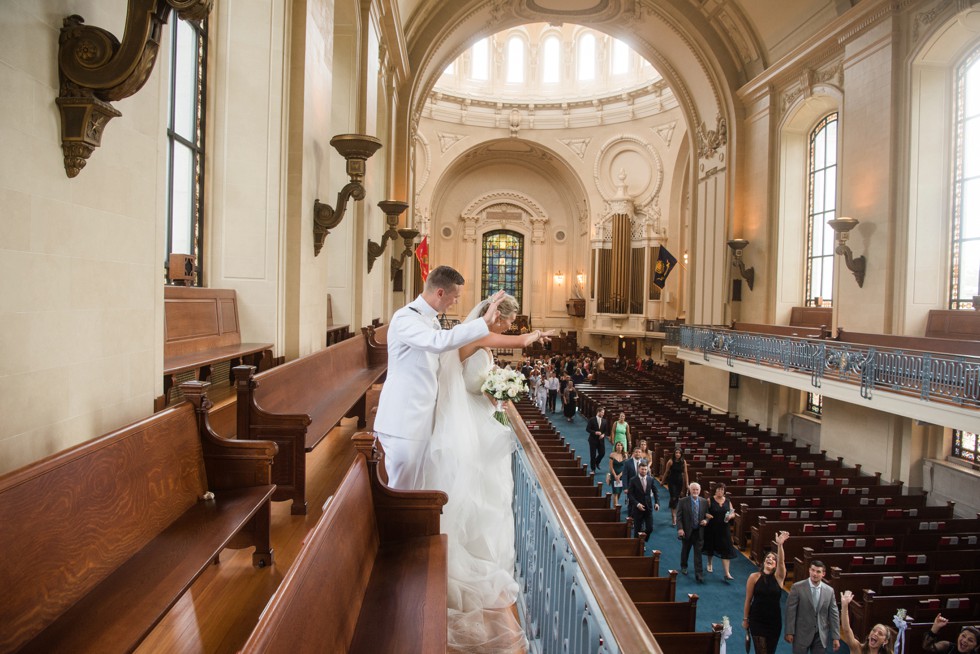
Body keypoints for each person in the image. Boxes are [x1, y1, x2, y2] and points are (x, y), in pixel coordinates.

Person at [421, 294, 549, 652]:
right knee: (478, 486)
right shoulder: (476, 336)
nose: (510, 327)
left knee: (489, 487)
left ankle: (482, 547)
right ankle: (474, 551)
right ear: (495, 317)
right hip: (470, 422)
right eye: (508, 320)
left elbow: (476, 377)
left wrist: (496, 388)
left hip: (477, 415)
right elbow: (506, 352)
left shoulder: (473, 336)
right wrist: (530, 340)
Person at [374, 266, 505, 489]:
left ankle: (411, 525)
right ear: (441, 293)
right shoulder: (405, 318)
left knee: (416, 487)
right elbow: (438, 342)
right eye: (455, 297)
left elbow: (446, 353)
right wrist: (482, 323)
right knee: (401, 490)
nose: (455, 303)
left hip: (421, 418)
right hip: (404, 420)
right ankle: (398, 525)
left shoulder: (430, 320)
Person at [743, 530, 790, 654]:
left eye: (773, 559)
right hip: (757, 619)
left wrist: (780, 545)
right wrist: (745, 619)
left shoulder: (779, 577)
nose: (770, 559)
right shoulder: (754, 577)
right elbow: (748, 599)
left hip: (774, 621)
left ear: (775, 565)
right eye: (768, 557)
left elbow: (781, 562)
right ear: (764, 561)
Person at [784, 560, 840, 654]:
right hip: (801, 634)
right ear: (809, 570)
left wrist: (836, 637)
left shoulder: (829, 591)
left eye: (818, 571)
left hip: (820, 635)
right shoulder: (797, 587)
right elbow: (790, 611)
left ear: (823, 574)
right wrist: (789, 631)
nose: (815, 574)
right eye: (813, 570)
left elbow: (834, 615)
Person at [703, 482, 738, 581]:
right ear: (715, 490)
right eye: (718, 489)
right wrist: (706, 517)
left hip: (724, 528)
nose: (720, 491)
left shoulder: (727, 501)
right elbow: (704, 512)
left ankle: (727, 573)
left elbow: (732, 513)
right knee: (711, 546)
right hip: (712, 527)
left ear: (724, 491)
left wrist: (730, 516)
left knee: (726, 548)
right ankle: (709, 563)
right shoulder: (710, 500)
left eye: (722, 490)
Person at [676, 482, 709, 582]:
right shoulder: (682, 501)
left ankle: (699, 574)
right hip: (687, 531)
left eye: (697, 490)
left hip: (699, 532)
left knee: (698, 554)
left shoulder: (704, 501)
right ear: (690, 490)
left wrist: (706, 521)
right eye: (693, 489)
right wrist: (680, 529)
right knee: (685, 550)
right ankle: (684, 566)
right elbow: (679, 517)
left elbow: (707, 515)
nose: (695, 491)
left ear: (699, 491)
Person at [626, 460, 659, 541]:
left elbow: (655, 491)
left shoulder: (650, 479)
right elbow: (630, 494)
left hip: (648, 507)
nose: (644, 471)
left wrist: (657, 503)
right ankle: (637, 545)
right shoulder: (633, 480)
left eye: (645, 469)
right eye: (642, 469)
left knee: (650, 528)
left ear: (647, 469)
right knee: (637, 529)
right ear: (638, 469)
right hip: (637, 508)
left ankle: (643, 540)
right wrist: (637, 504)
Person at [659, 448, 689, 526]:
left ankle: (673, 509)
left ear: (681, 454)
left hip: (679, 481)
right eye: (676, 453)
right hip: (672, 481)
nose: (677, 454)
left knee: (677, 497)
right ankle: (674, 516)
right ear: (674, 454)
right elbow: (666, 472)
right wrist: (662, 481)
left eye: (679, 453)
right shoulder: (670, 461)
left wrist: (687, 484)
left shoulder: (683, 462)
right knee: (673, 497)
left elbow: (685, 473)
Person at [621, 446, 643, 515]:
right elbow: (624, 475)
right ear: (633, 453)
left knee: (641, 503)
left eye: (639, 452)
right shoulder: (627, 462)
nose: (638, 453)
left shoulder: (644, 461)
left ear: (641, 453)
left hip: (642, 487)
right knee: (631, 503)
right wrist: (625, 487)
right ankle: (630, 520)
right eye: (636, 452)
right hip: (631, 487)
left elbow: (647, 474)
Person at [585, 408, 609, 473]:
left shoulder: (604, 421)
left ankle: (596, 462)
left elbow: (606, 431)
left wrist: (603, 435)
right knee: (593, 455)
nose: (603, 414)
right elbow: (587, 429)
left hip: (601, 440)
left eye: (603, 413)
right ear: (598, 412)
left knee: (602, 453)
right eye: (602, 412)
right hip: (593, 440)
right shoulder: (592, 419)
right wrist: (595, 432)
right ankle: (593, 469)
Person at [608, 441, 627, 508]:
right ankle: (615, 508)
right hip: (614, 476)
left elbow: (625, 467)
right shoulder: (612, 454)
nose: (619, 446)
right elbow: (611, 467)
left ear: (622, 447)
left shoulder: (625, 455)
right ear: (615, 447)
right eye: (618, 445)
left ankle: (615, 505)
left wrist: (619, 475)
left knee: (619, 492)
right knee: (615, 492)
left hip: (622, 476)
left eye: (620, 445)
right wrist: (615, 475)